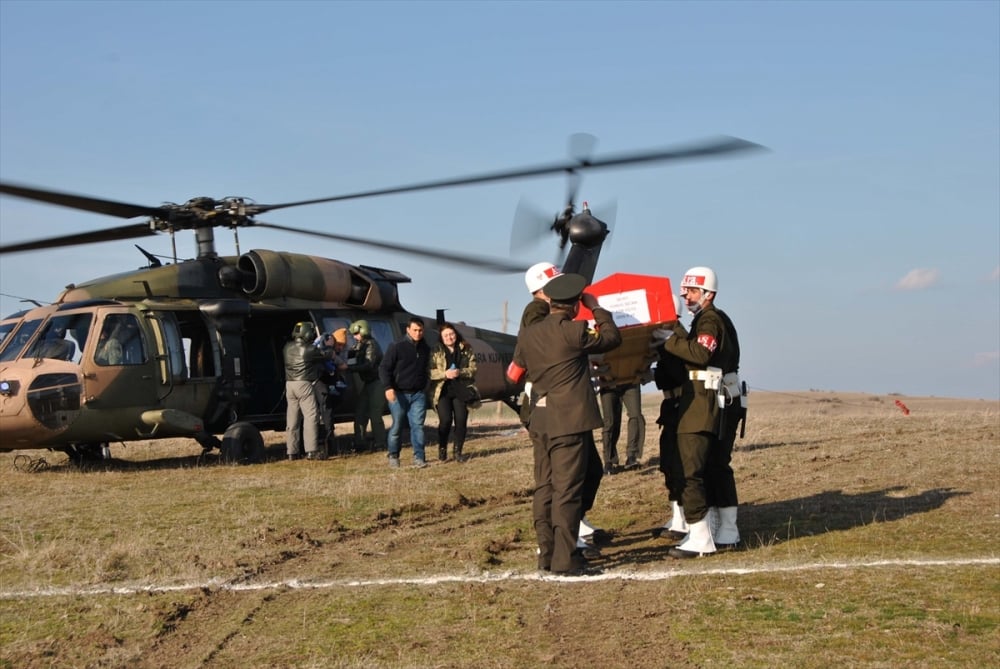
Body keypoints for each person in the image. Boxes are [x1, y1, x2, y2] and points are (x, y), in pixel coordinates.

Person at [507, 273, 621, 575]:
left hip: (540, 420)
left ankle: (546, 553)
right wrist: (596, 307)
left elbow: (515, 371)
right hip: (568, 421)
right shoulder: (574, 331)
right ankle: (566, 559)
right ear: (573, 306)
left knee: (544, 487)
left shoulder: (528, 334)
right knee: (567, 491)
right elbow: (612, 338)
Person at [519, 261, 607, 551]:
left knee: (575, 474)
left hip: (550, 403)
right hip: (553, 405)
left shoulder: (546, 314)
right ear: (543, 289)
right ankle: (561, 537)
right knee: (561, 479)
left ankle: (565, 531)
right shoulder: (538, 312)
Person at [657, 267, 742, 558]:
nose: (686, 296)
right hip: (720, 399)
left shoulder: (709, 320)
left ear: (708, 294)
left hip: (705, 400)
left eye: (692, 291)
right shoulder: (710, 320)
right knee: (716, 466)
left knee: (689, 468)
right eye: (685, 291)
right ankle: (727, 530)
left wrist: (668, 339)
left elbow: (700, 355)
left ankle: (701, 536)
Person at [652, 295, 690, 541]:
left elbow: (675, 375)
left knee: (677, 464)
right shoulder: (670, 338)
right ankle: (678, 515)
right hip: (672, 405)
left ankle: (683, 520)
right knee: (669, 462)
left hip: (681, 406)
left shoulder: (678, 339)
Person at [379, 317, 431, 469]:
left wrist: (425, 386)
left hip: (418, 394)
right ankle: (394, 455)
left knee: (418, 426)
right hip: (398, 394)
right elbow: (384, 368)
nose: (418, 333)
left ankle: (419, 458)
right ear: (408, 330)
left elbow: (428, 369)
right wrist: (388, 387)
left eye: (421, 330)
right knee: (397, 426)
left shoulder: (425, 348)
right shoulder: (396, 346)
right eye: (415, 330)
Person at [428, 322, 480, 463]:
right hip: (443, 391)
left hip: (461, 390)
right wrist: (445, 374)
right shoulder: (436, 350)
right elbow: (430, 372)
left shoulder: (466, 348)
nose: (449, 337)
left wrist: (460, 372)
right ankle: (442, 448)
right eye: (446, 335)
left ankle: (458, 452)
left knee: (461, 421)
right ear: (441, 337)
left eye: (451, 334)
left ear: (456, 334)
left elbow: (473, 368)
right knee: (445, 421)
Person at [283, 321, 328, 461]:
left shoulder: (287, 347)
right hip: (304, 384)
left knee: (292, 420)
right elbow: (325, 355)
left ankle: (292, 452)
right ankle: (311, 450)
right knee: (311, 417)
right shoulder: (309, 349)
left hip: (290, 384)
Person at [347, 319, 387, 453]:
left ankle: (380, 443)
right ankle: (360, 442)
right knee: (360, 412)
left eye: (357, 333)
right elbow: (352, 358)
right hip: (368, 383)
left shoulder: (372, 345)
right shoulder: (360, 345)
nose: (354, 336)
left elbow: (369, 365)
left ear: (363, 331)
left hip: (377, 382)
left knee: (375, 413)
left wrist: (351, 368)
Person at [315, 328, 350, 455]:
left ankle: (329, 445)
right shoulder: (326, 348)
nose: (341, 347)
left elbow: (343, 365)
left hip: (331, 386)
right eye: (339, 344)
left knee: (329, 415)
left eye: (343, 345)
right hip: (322, 385)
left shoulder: (336, 351)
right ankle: (327, 446)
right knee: (325, 414)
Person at [598, 381, 646, 474]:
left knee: (636, 416)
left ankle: (632, 456)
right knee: (610, 422)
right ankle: (609, 461)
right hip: (607, 384)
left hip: (631, 381)